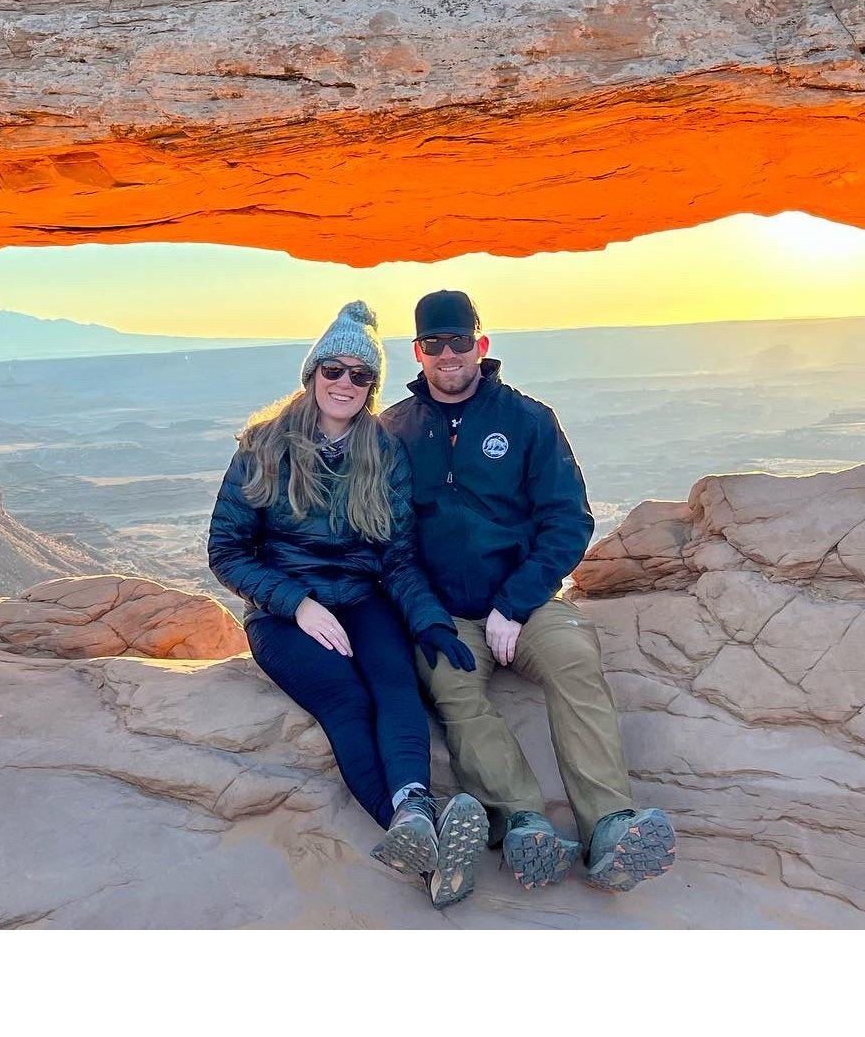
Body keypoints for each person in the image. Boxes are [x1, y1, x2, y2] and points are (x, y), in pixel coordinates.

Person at [380, 289, 676, 893]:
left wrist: (515, 605)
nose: (448, 354)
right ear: (418, 353)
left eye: (459, 341)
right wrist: (427, 617)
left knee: (574, 660)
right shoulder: (394, 431)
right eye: (434, 344)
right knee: (453, 689)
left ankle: (611, 825)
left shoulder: (528, 420)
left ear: (481, 346)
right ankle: (523, 820)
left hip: (528, 601)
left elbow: (568, 520)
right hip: (447, 613)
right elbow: (392, 546)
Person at [207, 300, 490, 908]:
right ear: (312, 375)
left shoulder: (381, 452)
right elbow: (227, 551)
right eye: (332, 370)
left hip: (362, 598)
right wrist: (297, 603)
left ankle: (414, 810)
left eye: (360, 376)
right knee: (347, 702)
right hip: (288, 611)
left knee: (396, 686)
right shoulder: (263, 447)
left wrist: (429, 621)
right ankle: (423, 850)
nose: (344, 384)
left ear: (372, 387)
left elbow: (397, 556)